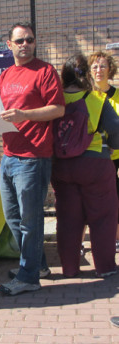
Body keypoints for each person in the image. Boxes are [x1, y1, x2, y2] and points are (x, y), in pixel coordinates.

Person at [0, 22, 66, 295]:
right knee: (13, 217)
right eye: (19, 41)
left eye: (29, 40)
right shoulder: (6, 75)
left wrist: (25, 115)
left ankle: (28, 278)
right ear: (9, 45)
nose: (25, 44)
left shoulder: (45, 71)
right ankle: (37, 265)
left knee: (31, 220)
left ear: (35, 42)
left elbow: (58, 109)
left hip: (33, 157)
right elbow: (0, 108)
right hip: (9, 154)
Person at [51, 53, 119, 278]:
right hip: (95, 164)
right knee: (103, 216)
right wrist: (110, 146)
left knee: (68, 218)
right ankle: (106, 267)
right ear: (86, 75)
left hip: (61, 166)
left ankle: (70, 268)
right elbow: (116, 129)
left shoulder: (54, 101)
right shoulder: (97, 100)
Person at [88, 51, 119, 253]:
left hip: (116, 157)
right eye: (95, 67)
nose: (98, 70)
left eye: (102, 66)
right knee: (92, 200)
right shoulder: (86, 95)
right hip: (93, 157)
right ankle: (90, 240)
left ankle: (115, 238)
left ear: (110, 70)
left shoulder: (117, 95)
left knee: (116, 198)